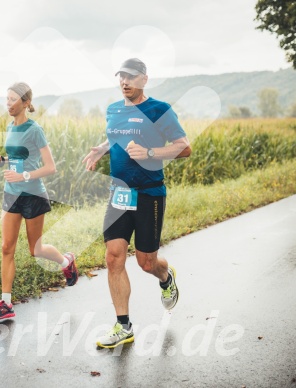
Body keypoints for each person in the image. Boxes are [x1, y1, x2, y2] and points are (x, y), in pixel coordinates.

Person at [82, 58, 191, 348]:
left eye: (131, 77)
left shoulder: (159, 110)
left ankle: (165, 276)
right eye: (121, 77)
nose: (125, 82)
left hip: (149, 194)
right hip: (119, 193)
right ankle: (123, 326)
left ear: (144, 79)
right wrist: (102, 150)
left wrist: (151, 152)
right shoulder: (113, 110)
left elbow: (184, 146)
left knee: (146, 262)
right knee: (113, 256)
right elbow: (117, 136)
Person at [0, 82, 78, 320]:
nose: (8, 104)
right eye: (6, 99)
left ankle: (65, 261)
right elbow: (19, 158)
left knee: (34, 250)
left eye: (13, 99)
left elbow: (50, 167)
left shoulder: (35, 129)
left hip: (33, 195)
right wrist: (3, 161)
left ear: (26, 102)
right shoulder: (9, 126)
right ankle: (6, 304)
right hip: (11, 193)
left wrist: (23, 175)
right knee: (7, 248)